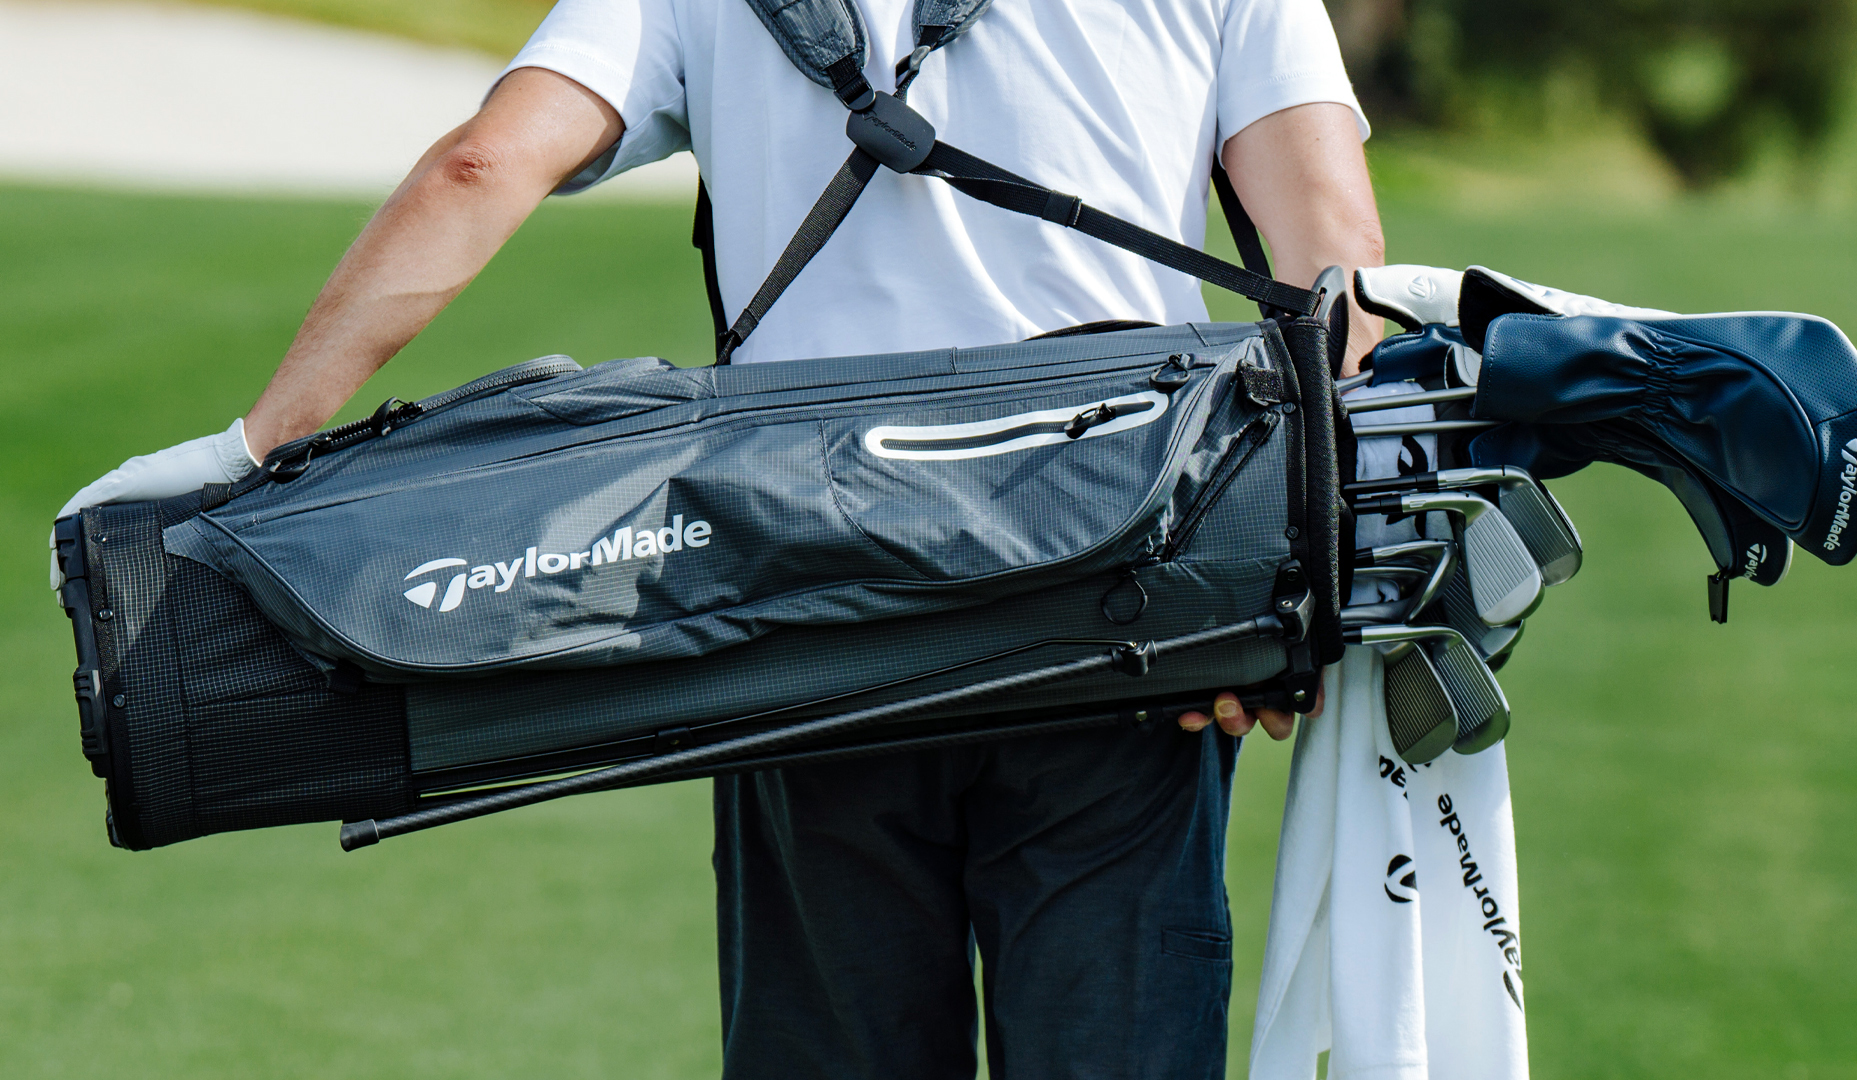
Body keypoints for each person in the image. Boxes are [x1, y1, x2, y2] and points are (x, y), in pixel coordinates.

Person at [57, 0, 1385, 1075]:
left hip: (806, 620)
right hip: (1126, 605)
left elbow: (486, 163)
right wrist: (1280, 583)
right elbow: (1337, 265)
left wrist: (259, 442)